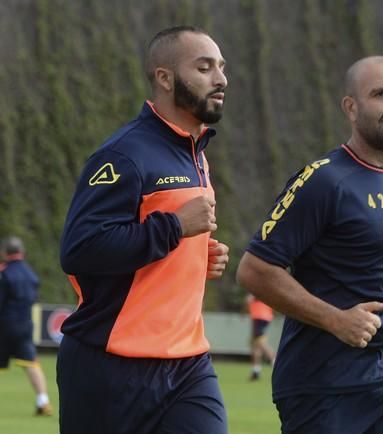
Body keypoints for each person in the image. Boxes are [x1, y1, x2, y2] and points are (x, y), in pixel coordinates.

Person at [236, 56, 383, 434]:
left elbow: (368, 262)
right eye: (381, 94)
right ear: (351, 107)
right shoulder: (323, 181)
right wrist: (336, 319)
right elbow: (255, 269)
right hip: (323, 389)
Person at [58, 26, 230, 434]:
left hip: (188, 365)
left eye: (221, 68)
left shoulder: (196, 154)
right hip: (110, 367)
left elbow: (153, 243)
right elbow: (80, 249)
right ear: (164, 78)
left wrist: (194, 254)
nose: (221, 79)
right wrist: (174, 227)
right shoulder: (124, 154)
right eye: (204, 67)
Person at [0, 236, 53, 416]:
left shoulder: (4, 273)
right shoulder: (31, 274)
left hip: (5, 326)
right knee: (31, 363)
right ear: (22, 252)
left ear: (4, 253)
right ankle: (43, 401)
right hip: (25, 325)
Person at [247, 294, 276, 381]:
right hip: (260, 316)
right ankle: (256, 370)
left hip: (260, 316)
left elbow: (250, 299)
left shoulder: (256, 287)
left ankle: (275, 361)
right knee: (256, 344)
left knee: (259, 342)